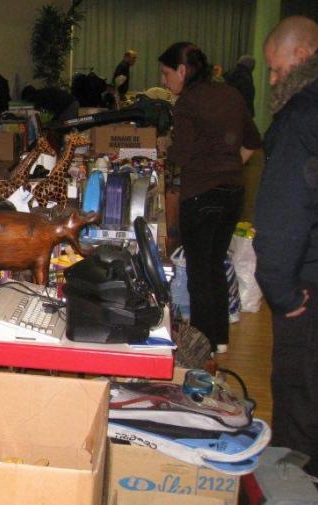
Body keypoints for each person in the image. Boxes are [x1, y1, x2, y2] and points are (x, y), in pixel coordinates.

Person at [160, 42, 261, 354]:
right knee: (215, 264)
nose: (164, 81)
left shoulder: (187, 102)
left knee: (199, 271)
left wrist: (165, 148)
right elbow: (252, 142)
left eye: (166, 73)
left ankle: (203, 348)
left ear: (182, 70)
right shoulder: (230, 93)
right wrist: (228, 166)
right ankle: (219, 339)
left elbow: (181, 154)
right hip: (232, 192)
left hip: (200, 195)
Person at [252, 15, 318, 477]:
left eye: (276, 69)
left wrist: (282, 292)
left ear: (302, 54)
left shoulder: (299, 118)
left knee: (300, 405)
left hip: (307, 288)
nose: (273, 81)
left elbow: (282, 218)